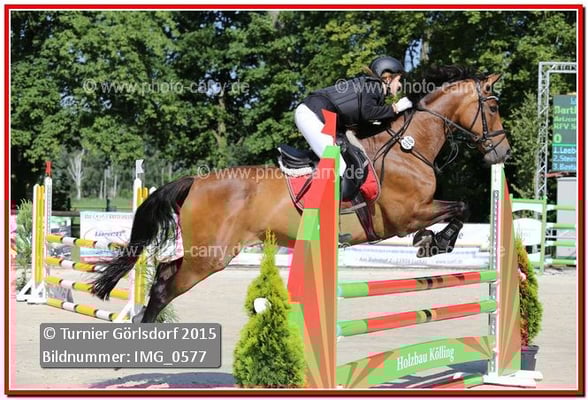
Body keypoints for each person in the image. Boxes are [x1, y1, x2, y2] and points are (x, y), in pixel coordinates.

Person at [295, 55, 413, 202]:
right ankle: (318, 207)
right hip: (312, 114)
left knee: (345, 160)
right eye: (398, 80)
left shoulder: (373, 90)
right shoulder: (374, 85)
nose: (400, 85)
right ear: (388, 79)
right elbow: (368, 113)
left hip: (323, 117)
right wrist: (395, 108)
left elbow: (365, 124)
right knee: (338, 165)